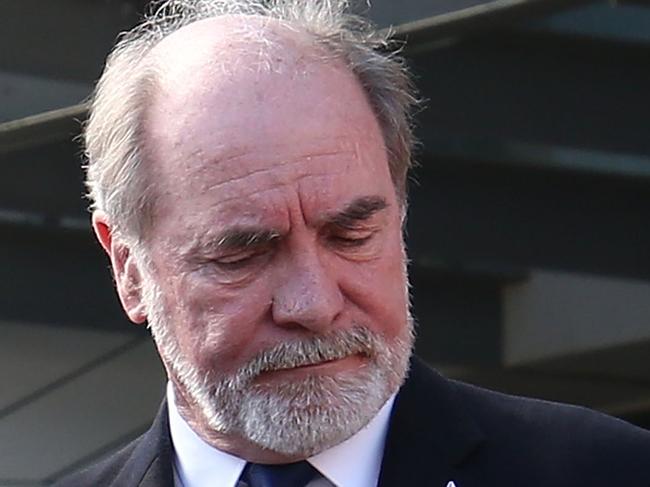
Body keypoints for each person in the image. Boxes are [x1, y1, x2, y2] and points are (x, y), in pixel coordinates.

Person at [54, 1, 650, 486]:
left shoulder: (608, 471)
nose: (312, 304)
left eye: (351, 235)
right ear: (129, 269)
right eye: (241, 255)